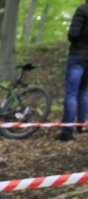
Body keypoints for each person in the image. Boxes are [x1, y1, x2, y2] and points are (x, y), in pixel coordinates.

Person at [56, 1, 88, 142]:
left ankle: (67, 131)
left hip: (78, 56)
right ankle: (81, 125)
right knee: (84, 91)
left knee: (71, 93)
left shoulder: (82, 10)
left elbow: (73, 35)